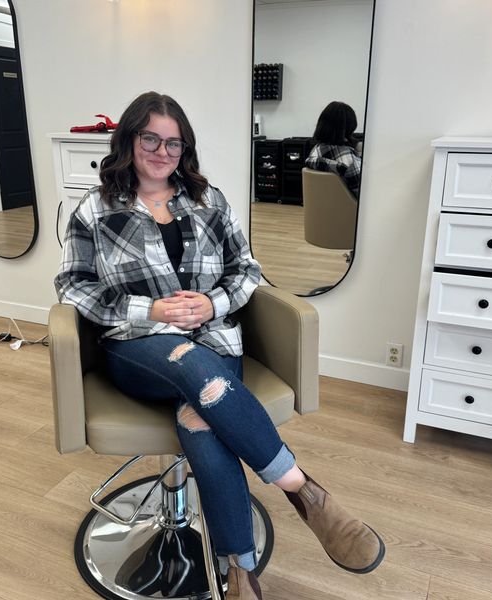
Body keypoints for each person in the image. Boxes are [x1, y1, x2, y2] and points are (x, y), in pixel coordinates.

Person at [55, 91, 384, 599]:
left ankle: (240, 574)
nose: (163, 151)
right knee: (191, 366)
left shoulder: (210, 200)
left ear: (185, 148)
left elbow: (246, 269)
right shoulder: (94, 210)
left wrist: (212, 305)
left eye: (174, 142)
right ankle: (303, 491)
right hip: (136, 345)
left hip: (214, 338)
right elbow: (73, 284)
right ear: (129, 140)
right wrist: (150, 310)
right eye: (150, 138)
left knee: (201, 417)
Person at [305, 101, 361, 198]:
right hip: (348, 206)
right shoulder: (348, 159)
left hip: (321, 204)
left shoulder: (315, 151)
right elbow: (361, 193)